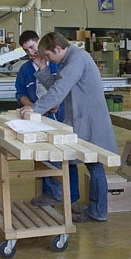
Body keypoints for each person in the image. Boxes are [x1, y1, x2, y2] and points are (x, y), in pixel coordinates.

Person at [19, 32, 118, 223]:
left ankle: (98, 211)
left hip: (91, 120)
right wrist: (42, 68)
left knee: (95, 164)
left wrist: (35, 109)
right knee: (85, 162)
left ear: (58, 49)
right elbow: (57, 85)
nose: (48, 59)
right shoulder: (69, 60)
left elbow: (58, 91)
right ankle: (76, 201)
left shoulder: (77, 59)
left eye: (48, 56)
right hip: (80, 119)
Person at [15, 30, 81, 213]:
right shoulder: (25, 70)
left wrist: (56, 103)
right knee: (44, 157)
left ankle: (72, 199)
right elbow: (20, 93)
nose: (31, 52)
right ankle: (50, 196)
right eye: (26, 50)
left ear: (39, 42)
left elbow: (63, 89)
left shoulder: (56, 63)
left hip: (61, 115)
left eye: (32, 47)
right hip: (38, 119)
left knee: (67, 157)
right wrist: (33, 107)